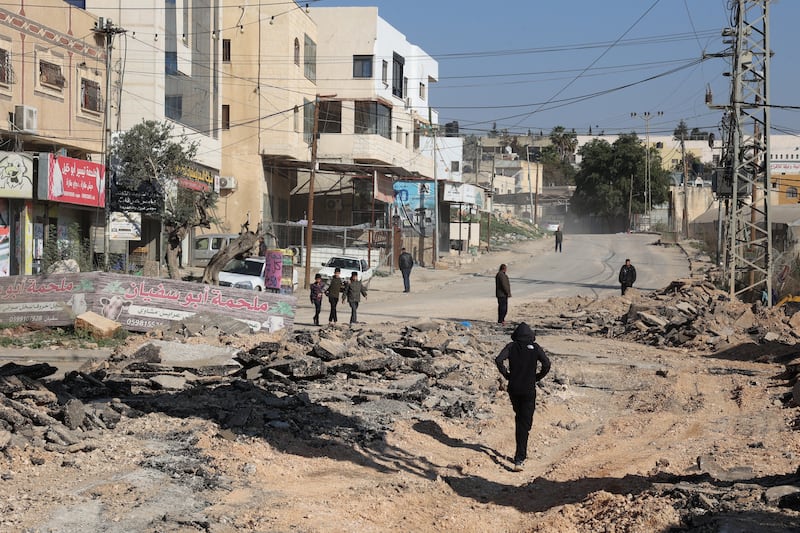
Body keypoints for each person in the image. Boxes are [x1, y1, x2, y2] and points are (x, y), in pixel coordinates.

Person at [495, 322, 551, 472]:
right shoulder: (536, 348)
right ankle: (519, 458)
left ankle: (520, 453)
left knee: (519, 418)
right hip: (528, 390)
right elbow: (547, 364)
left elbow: (499, 360)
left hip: (513, 389)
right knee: (524, 423)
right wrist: (537, 377)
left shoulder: (511, 347)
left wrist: (507, 375)